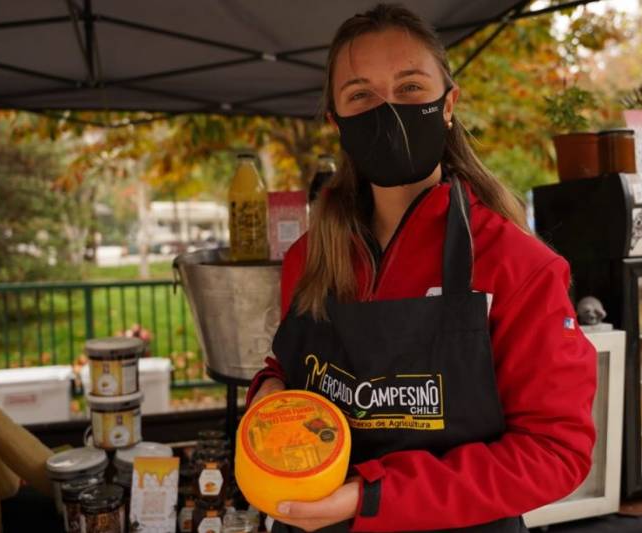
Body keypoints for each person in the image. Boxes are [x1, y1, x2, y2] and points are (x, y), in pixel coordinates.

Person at [245, 4, 597, 532]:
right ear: (337, 122)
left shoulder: (517, 266)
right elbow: (291, 367)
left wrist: (371, 497)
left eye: (410, 87)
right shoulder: (309, 257)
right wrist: (269, 393)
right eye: (361, 95)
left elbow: (555, 451)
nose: (387, 109)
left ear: (448, 103)